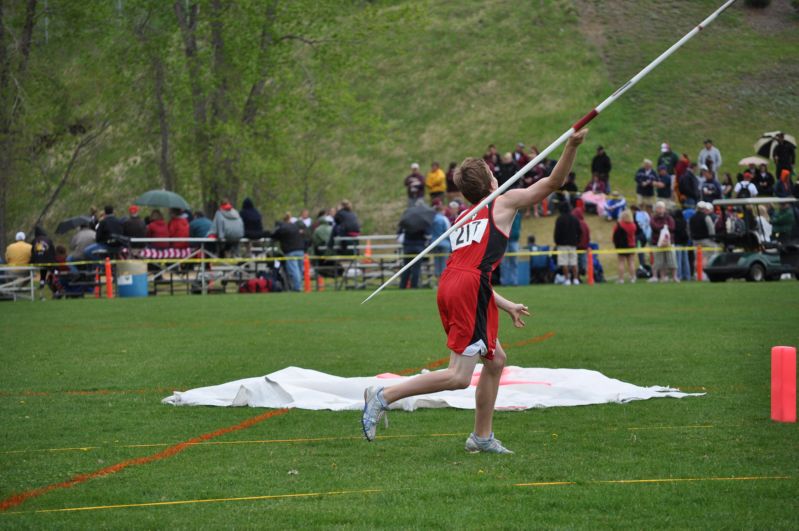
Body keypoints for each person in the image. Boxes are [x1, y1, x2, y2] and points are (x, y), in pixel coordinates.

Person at [361, 128, 589, 453]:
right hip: (467, 287)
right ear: (492, 181)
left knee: (496, 361)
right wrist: (571, 146)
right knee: (458, 376)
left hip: (458, 283)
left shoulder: (465, 216)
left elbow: (472, 268)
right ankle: (383, 396)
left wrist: (504, 303)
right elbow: (552, 183)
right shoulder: (503, 202)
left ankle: (481, 437)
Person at [398, 200, 434, 289]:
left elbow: (399, 233)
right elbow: (427, 234)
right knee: (416, 268)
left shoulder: (406, 220)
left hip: (407, 247)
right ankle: (414, 286)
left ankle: (402, 286)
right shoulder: (422, 222)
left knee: (406, 268)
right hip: (419, 247)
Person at [271, 212, 306, 291]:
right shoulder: (295, 226)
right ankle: (299, 285)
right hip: (300, 249)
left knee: (294, 270)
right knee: (299, 270)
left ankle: (297, 288)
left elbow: (274, 236)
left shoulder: (282, 228)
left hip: (290, 251)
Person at [554, 200, 581, 286]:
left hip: (562, 244)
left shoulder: (560, 219)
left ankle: (567, 279)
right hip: (573, 244)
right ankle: (576, 279)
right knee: (574, 262)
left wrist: (557, 242)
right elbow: (580, 231)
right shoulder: (575, 219)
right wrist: (577, 241)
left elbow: (557, 232)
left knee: (564, 262)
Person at [650, 201, 676, 282]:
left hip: (669, 242)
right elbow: (654, 227)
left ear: (664, 209)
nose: (660, 209)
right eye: (658, 208)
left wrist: (664, 228)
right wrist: (664, 227)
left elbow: (672, 227)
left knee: (672, 261)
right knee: (659, 261)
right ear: (656, 209)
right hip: (656, 242)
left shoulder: (669, 218)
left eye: (662, 208)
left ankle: (675, 277)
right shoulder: (653, 218)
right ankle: (661, 277)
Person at [689, 201, 716, 279]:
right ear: (704, 209)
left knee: (697, 257)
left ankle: (696, 273)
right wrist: (713, 239)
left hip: (695, 241)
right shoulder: (706, 217)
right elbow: (711, 230)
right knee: (706, 257)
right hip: (706, 240)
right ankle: (704, 273)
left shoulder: (692, 218)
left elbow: (689, 230)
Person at [612, 210, 637, 283]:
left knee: (621, 262)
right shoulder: (633, 225)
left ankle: (621, 279)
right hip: (631, 245)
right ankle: (633, 278)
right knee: (631, 262)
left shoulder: (619, 225)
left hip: (622, 246)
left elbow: (614, 235)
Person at [500, 211, 522, 286]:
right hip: (504, 238)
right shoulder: (505, 213)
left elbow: (519, 227)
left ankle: (514, 282)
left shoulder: (518, 215)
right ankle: (504, 282)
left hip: (514, 239)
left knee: (514, 262)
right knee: (504, 262)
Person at [431, 203, 451, 278]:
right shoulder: (444, 218)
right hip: (444, 243)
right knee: (444, 262)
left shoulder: (432, 219)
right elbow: (448, 230)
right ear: (442, 210)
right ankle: (443, 279)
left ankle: (437, 281)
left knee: (436, 262)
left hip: (434, 243)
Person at [672, 209, 691, 282]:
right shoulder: (684, 221)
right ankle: (687, 275)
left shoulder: (675, 222)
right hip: (685, 242)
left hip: (678, 242)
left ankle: (678, 275)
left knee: (678, 260)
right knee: (686, 260)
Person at [572, 206, 590, 279]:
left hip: (576, 247)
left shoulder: (575, 224)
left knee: (575, 263)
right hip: (584, 247)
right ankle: (582, 274)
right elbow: (588, 236)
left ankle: (577, 277)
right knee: (583, 264)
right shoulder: (585, 224)